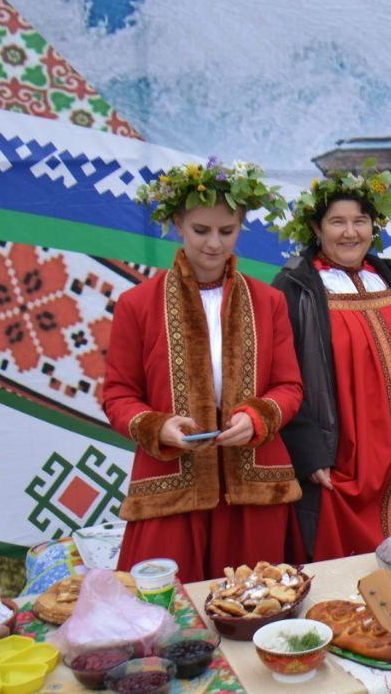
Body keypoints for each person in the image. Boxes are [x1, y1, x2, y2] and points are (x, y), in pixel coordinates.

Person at [104, 160, 303, 584]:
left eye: (226, 231)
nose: (214, 243)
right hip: (170, 481)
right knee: (167, 612)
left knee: (257, 605)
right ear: (178, 223)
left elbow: (289, 387)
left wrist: (256, 419)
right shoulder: (136, 304)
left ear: (241, 226)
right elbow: (117, 395)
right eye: (201, 230)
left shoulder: (269, 301)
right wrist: (159, 427)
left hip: (255, 483)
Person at [274, 163, 391, 560]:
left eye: (360, 221)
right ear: (316, 228)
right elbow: (285, 373)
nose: (350, 232)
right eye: (337, 222)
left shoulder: (390, 275)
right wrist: (310, 451)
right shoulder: (297, 285)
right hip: (345, 451)